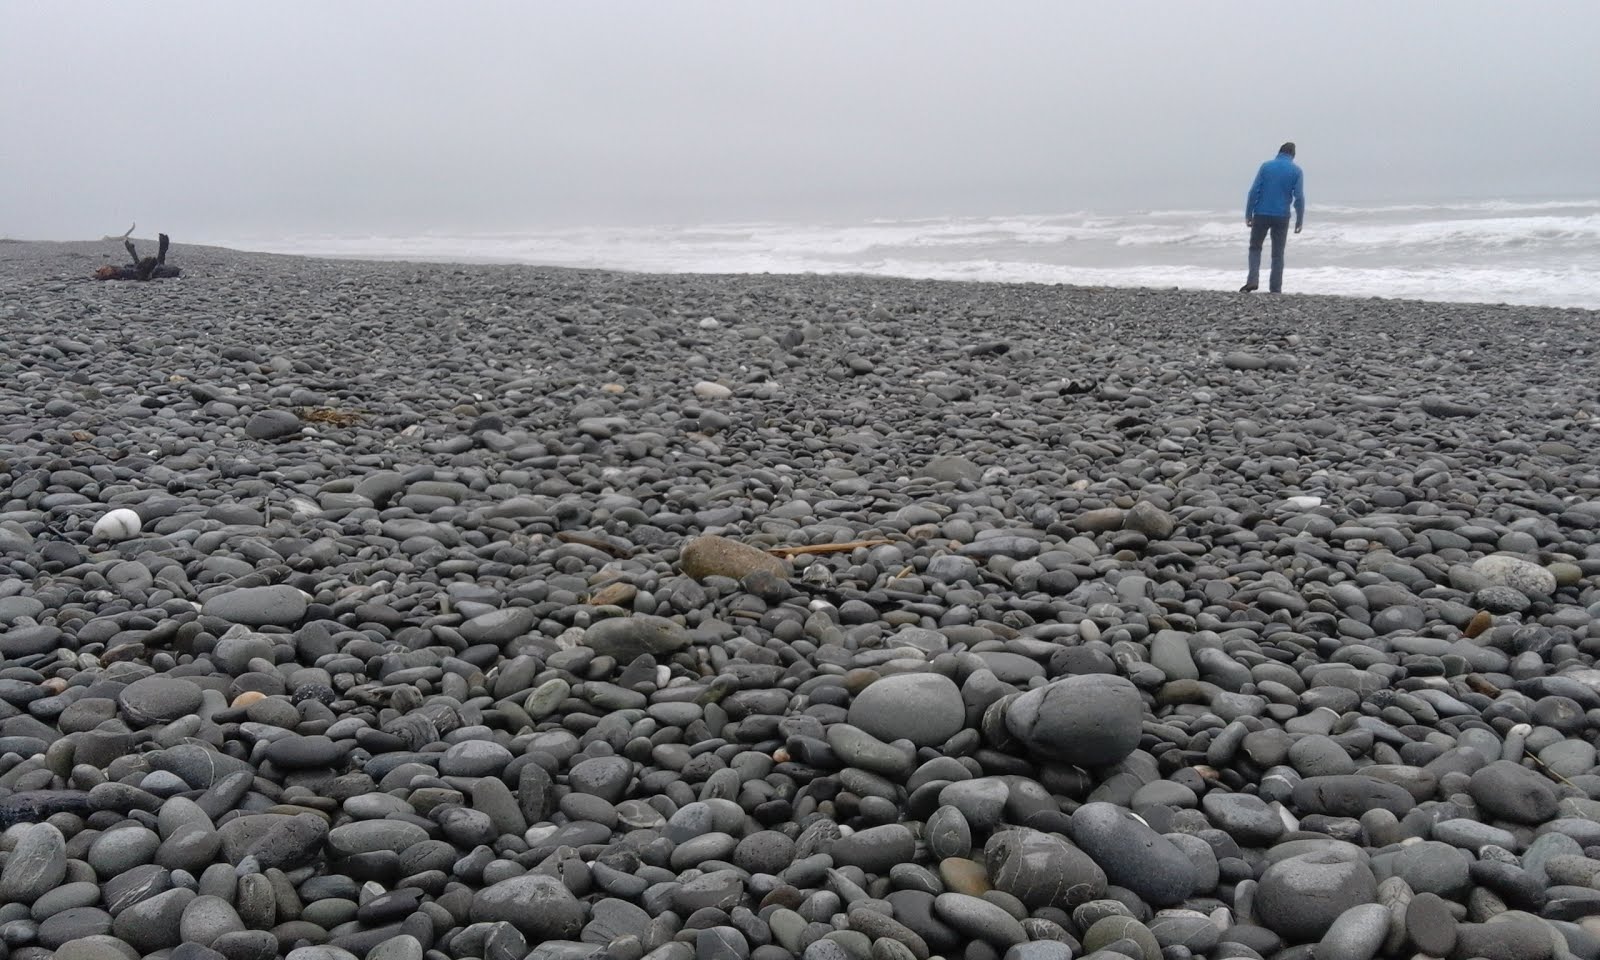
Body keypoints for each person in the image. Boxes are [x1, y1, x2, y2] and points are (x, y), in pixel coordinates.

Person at [1241, 142, 1305, 293]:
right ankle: (1275, 289)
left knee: (1255, 247)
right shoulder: (1296, 171)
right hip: (1282, 216)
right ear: (1293, 155)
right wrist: (1299, 220)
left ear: (1279, 152)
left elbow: (1254, 191)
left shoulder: (1266, 167)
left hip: (1261, 213)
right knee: (1278, 254)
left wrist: (1248, 213)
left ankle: (1252, 280)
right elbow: (1299, 197)